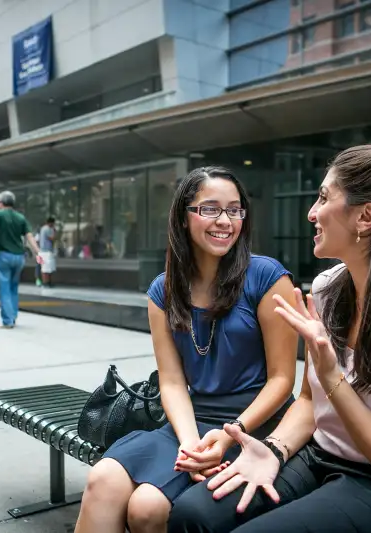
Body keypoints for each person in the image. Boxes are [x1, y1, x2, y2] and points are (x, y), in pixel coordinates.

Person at [167, 144, 371, 533]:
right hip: (319, 455)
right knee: (190, 515)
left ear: (366, 217)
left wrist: (332, 374)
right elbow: (309, 401)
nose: (312, 213)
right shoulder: (329, 288)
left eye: (324, 198)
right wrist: (274, 451)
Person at [74, 167, 299, 533]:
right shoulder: (163, 290)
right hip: (189, 424)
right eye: (210, 209)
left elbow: (283, 379)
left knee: (147, 508)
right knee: (103, 479)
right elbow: (173, 382)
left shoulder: (268, 277)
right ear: (184, 217)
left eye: (234, 210)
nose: (224, 221)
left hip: (254, 425)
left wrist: (228, 436)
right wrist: (191, 445)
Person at [0, 191, 43, 328]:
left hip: (3, 256)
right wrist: (38, 252)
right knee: (13, 287)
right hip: (19, 257)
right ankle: (13, 316)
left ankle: (7, 320)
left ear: (0, 203)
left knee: (4, 288)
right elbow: (29, 236)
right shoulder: (20, 217)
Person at [38, 217, 57, 287]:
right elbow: (52, 238)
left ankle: (46, 282)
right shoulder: (47, 229)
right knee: (47, 268)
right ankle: (46, 282)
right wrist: (55, 232)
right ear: (51, 223)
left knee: (45, 267)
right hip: (46, 252)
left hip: (42, 251)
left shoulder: (43, 228)